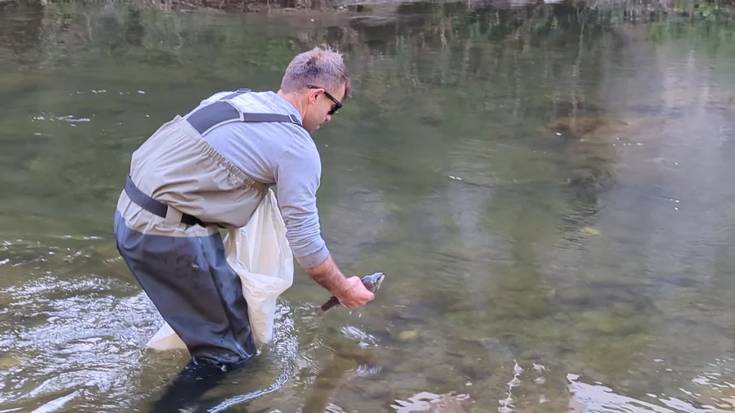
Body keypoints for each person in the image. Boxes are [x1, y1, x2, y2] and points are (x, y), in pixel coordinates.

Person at [113, 47, 375, 371]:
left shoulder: (233, 99)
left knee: (217, 331)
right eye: (334, 107)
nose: (330, 118)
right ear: (316, 96)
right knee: (231, 356)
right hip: (167, 236)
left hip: (128, 218)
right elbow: (306, 243)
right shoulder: (296, 146)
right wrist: (343, 288)